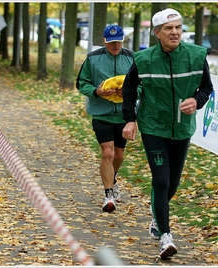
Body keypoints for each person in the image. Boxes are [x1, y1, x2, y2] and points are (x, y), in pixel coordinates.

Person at [121, 8, 213, 259]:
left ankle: (156, 215)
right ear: (157, 33)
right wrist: (130, 120)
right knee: (161, 180)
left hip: (182, 127)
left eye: (178, 28)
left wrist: (196, 100)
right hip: (153, 126)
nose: (174, 32)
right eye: (169, 29)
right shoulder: (143, 59)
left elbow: (206, 87)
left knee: (172, 183)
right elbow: (129, 91)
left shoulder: (196, 56)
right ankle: (165, 236)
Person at [76, 25, 134, 213]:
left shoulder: (133, 59)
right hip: (102, 113)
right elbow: (81, 83)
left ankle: (113, 177)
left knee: (118, 155)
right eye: (111, 42)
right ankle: (108, 195)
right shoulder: (93, 59)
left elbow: (142, 85)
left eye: (118, 41)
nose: (115, 45)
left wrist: (130, 93)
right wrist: (96, 91)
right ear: (103, 41)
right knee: (107, 152)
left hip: (124, 114)